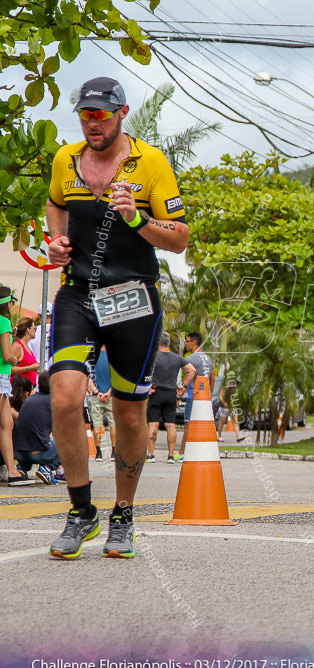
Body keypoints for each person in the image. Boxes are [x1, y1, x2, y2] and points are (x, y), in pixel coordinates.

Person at [46, 76, 189, 558]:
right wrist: (58, 240)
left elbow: (180, 236)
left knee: (130, 411)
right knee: (64, 396)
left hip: (133, 298)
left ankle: (123, 514)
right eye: (86, 114)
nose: (93, 123)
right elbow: (55, 203)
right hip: (78, 294)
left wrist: (139, 220)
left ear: (121, 113)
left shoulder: (150, 163)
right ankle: (80, 510)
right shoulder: (65, 159)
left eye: (102, 114)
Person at [147, 333, 195, 464]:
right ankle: (171, 455)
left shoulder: (153, 357)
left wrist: (147, 386)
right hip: (171, 393)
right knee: (170, 424)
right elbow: (192, 370)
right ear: (168, 343)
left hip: (155, 392)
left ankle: (151, 455)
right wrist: (183, 386)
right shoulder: (176, 358)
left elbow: (142, 372)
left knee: (152, 423)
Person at [0, 288, 28, 485]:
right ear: (8, 303)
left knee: (7, 424)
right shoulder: (3, 322)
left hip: (3, 378)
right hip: (1, 375)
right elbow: (7, 355)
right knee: (5, 425)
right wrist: (16, 359)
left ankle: (12, 469)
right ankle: (11, 469)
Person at [13, 371, 61, 485]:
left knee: (31, 437)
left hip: (17, 452)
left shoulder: (30, 399)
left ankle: (22, 468)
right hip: (36, 454)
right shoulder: (54, 402)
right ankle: (48, 468)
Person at [177, 331, 214, 460]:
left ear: (194, 342)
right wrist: (209, 394)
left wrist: (180, 394)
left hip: (194, 395)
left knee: (188, 424)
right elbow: (212, 378)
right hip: (206, 397)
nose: (186, 344)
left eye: (187, 341)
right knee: (203, 425)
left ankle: (182, 453)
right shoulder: (208, 359)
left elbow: (188, 376)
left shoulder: (190, 359)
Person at [86, 346, 114, 460]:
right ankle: (114, 452)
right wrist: (109, 392)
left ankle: (98, 453)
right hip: (110, 396)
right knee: (113, 424)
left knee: (97, 424)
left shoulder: (91, 357)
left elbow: (89, 378)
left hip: (96, 396)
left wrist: (97, 392)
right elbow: (116, 378)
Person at [11, 317, 40, 387]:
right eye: (34, 328)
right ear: (28, 330)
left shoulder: (27, 347)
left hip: (26, 389)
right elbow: (9, 369)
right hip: (18, 389)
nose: (35, 331)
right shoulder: (17, 346)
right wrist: (29, 368)